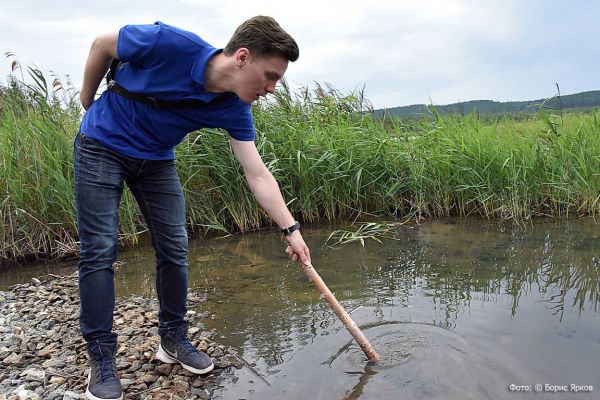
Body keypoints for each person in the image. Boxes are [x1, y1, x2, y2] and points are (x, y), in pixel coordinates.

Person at [75, 16, 311, 400]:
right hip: (102, 145)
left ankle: (173, 339)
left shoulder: (234, 107)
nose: (271, 88)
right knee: (99, 250)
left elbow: (258, 174)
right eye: (269, 76)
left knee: (175, 247)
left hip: (155, 158)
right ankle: (101, 359)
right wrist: (88, 101)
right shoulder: (167, 42)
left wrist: (291, 230)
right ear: (242, 57)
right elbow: (102, 43)